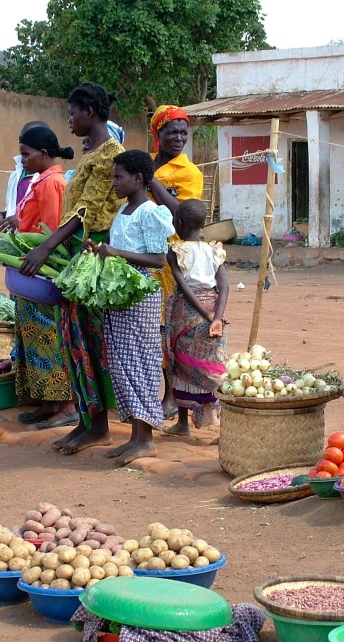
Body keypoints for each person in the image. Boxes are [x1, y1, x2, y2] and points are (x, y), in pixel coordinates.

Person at [20, 83, 125, 455]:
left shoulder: (110, 154)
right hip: (79, 252)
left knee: (91, 340)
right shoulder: (92, 153)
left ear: (91, 112)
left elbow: (86, 212)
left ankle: (98, 426)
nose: (70, 120)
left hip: (95, 255)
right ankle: (86, 422)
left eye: (73, 113)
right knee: (74, 338)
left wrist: (48, 246)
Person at [82, 150, 173, 464]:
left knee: (140, 362)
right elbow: (116, 250)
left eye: (119, 177)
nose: (115, 183)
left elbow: (158, 259)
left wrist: (115, 252)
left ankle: (146, 439)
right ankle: (135, 437)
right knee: (122, 365)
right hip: (119, 296)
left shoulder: (151, 212)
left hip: (140, 295)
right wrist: (98, 250)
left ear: (139, 179)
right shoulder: (122, 212)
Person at [11, 125, 77, 428]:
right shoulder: (42, 180)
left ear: (44, 154)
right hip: (32, 270)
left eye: (26, 154)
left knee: (49, 337)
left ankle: (64, 404)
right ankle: (48, 401)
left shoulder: (53, 183)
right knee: (36, 337)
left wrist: (38, 255)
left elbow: (53, 230)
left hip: (43, 273)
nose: (22, 159)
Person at [147, 105, 205, 419]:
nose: (179, 138)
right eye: (172, 133)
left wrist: (151, 182)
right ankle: (152, 393)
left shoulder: (189, 173)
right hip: (141, 255)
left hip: (173, 259)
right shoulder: (146, 165)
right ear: (158, 134)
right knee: (151, 331)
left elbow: (183, 215)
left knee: (171, 330)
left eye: (184, 133)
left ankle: (171, 397)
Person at [163, 199, 229, 436]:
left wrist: (208, 316)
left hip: (188, 315)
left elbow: (185, 289)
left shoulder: (175, 252)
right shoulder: (215, 250)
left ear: (178, 223)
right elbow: (224, 287)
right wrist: (217, 317)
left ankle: (183, 423)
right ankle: (207, 425)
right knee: (212, 367)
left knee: (181, 365)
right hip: (212, 310)